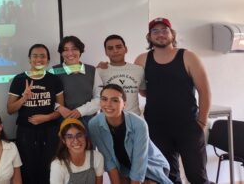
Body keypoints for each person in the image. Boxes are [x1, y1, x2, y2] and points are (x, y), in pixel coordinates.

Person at [135, 18, 211, 183]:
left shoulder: (188, 56)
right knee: (167, 176)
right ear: (149, 37)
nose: (160, 34)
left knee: (196, 176)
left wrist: (202, 122)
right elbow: (143, 91)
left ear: (172, 34)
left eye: (164, 30)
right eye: (155, 31)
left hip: (188, 126)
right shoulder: (142, 60)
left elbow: (204, 91)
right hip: (157, 128)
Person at [88, 84, 171, 184]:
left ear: (124, 104)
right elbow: (108, 160)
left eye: (115, 100)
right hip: (124, 169)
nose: (108, 104)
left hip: (150, 166)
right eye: (104, 99)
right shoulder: (94, 124)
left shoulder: (139, 124)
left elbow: (139, 161)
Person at [7, 44, 64, 184]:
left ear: (48, 60)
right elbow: (10, 109)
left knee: (49, 169)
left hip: (50, 131)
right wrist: (24, 98)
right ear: (29, 58)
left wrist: (47, 118)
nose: (39, 59)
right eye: (35, 56)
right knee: (28, 171)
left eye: (43, 56)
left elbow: (61, 109)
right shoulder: (19, 79)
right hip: (26, 132)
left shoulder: (54, 79)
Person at [52, 36, 99, 125]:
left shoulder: (91, 70)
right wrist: (58, 107)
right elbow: (47, 97)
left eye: (74, 49)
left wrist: (80, 111)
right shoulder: (54, 71)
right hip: (62, 120)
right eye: (65, 49)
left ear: (80, 51)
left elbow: (100, 97)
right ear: (61, 53)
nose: (70, 53)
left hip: (89, 120)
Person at [95, 35, 145, 115]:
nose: (115, 51)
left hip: (134, 118)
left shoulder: (139, 70)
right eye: (110, 48)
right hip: (108, 120)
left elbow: (144, 92)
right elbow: (96, 98)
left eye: (118, 47)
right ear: (106, 52)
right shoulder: (99, 71)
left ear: (125, 49)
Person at [50, 118, 104, 184]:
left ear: (85, 136)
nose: (76, 141)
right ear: (64, 141)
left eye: (79, 135)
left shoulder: (97, 157)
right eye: (69, 137)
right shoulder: (58, 165)